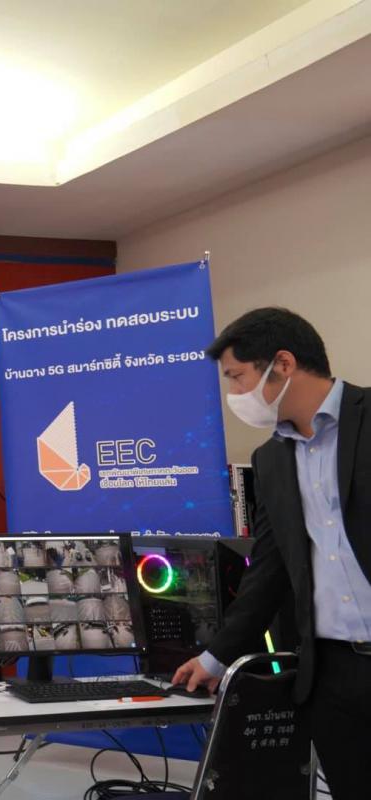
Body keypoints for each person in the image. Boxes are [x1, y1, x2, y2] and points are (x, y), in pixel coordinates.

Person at [172, 307, 370, 798]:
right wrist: (216, 657)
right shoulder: (271, 460)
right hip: (333, 673)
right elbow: (268, 572)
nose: (234, 395)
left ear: (283, 363)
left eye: (236, 377)